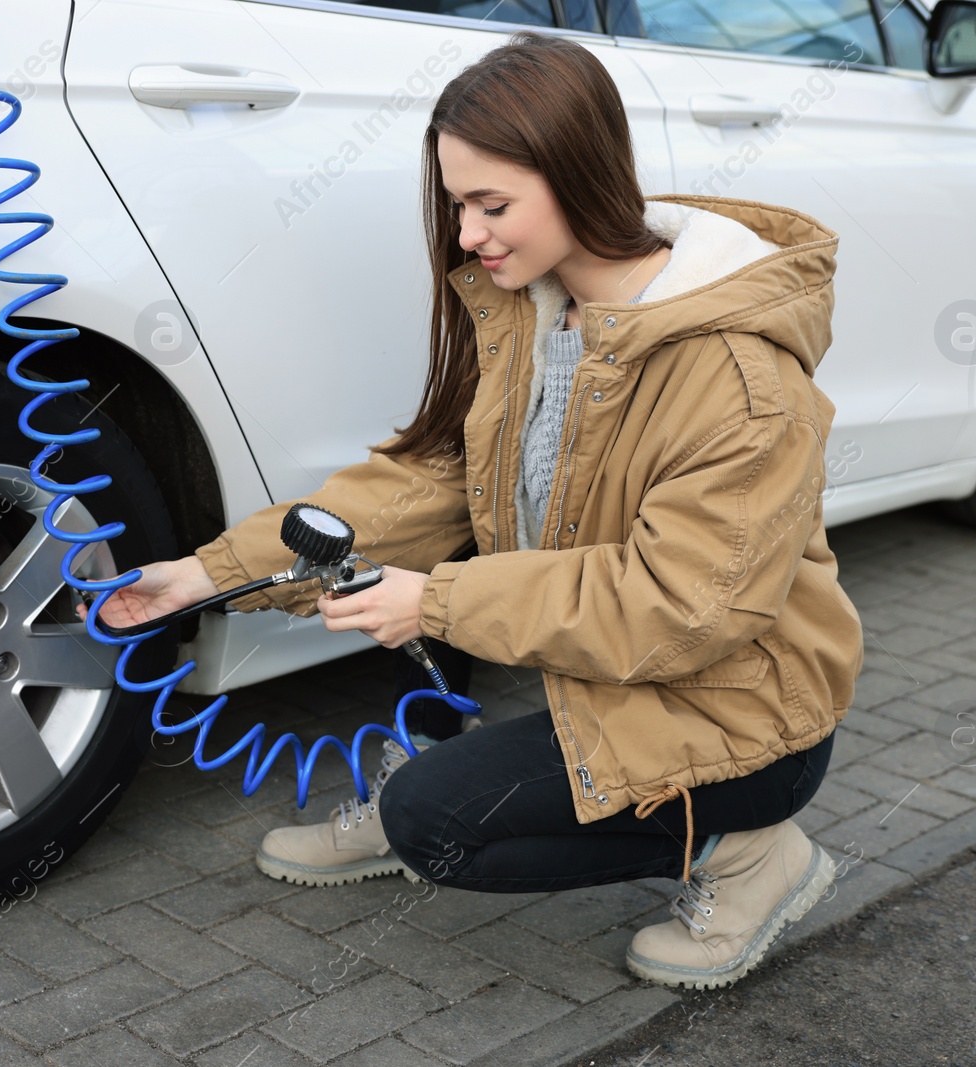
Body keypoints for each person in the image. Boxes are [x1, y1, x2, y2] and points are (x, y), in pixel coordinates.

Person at [90, 29, 864, 990]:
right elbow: (430, 484)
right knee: (448, 566)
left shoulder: (739, 378)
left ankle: (748, 854)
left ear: (580, 175)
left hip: (742, 719)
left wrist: (439, 602)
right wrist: (209, 574)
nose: (466, 235)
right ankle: (440, 772)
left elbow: (688, 604)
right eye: (459, 204)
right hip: (616, 682)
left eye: (492, 205)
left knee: (437, 828)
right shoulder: (541, 315)